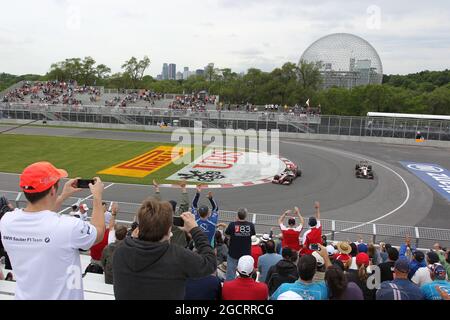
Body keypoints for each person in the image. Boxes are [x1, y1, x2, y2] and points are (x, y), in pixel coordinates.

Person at [0, 162, 105, 299]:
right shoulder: (68, 226)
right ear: (52, 191)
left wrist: (62, 196)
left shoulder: (7, 221)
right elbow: (98, 232)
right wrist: (97, 197)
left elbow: (40, 216)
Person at [113, 198, 216, 300]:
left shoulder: (120, 250)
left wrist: (133, 239)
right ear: (168, 231)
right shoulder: (178, 256)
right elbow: (210, 262)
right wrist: (194, 229)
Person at [153, 180, 189, 248]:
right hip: (178, 245)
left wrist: (157, 188)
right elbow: (185, 204)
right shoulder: (179, 215)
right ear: (175, 209)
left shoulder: (161, 216)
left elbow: (156, 204)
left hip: (163, 245)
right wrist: (183, 188)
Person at [224, 208, 256, 281]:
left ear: (237, 215)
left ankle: (229, 288)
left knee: (230, 274)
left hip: (233, 253)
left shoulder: (232, 224)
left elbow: (226, 234)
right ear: (246, 216)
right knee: (247, 273)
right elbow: (253, 234)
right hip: (246, 254)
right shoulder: (250, 225)